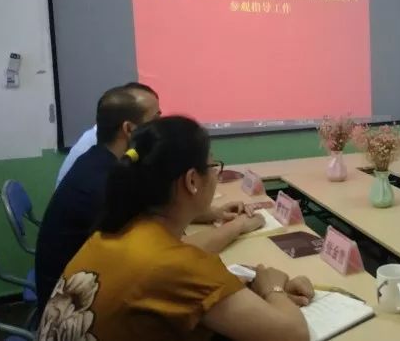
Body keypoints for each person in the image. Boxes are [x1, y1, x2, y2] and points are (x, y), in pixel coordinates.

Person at [38, 116, 312, 341]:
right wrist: (273, 288)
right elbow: (294, 335)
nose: (216, 175)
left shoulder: (116, 229)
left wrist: (247, 288)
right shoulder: (174, 266)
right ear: (192, 181)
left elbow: (176, 261)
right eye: (212, 166)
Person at [36, 86, 263, 316]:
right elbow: (172, 256)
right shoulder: (103, 186)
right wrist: (238, 226)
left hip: (82, 301)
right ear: (129, 129)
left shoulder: (102, 162)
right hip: (74, 308)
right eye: (155, 119)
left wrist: (212, 214)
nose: (161, 127)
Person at [55, 82, 161, 187]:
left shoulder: (98, 155)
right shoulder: (105, 176)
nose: (159, 126)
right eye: (155, 119)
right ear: (128, 129)